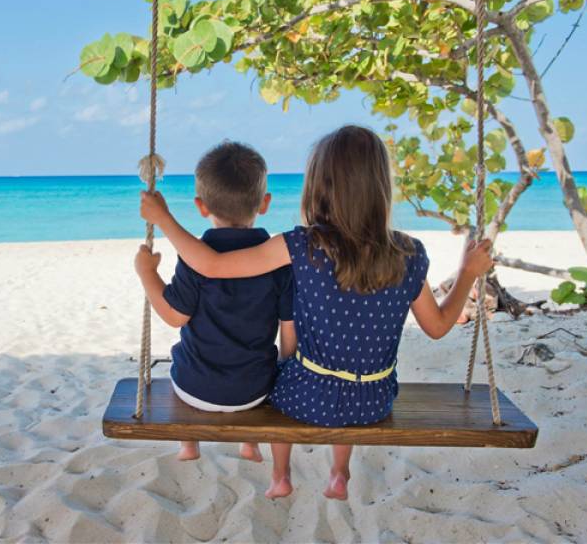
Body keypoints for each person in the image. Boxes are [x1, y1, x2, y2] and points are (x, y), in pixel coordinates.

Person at [139, 125, 493, 498]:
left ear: (319, 185)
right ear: (381, 187)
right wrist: (468, 273)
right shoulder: (408, 252)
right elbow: (437, 326)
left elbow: (211, 265)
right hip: (374, 401)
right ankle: (339, 473)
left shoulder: (303, 245)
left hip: (308, 398)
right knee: (335, 368)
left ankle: (281, 475)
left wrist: (163, 221)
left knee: (278, 373)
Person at [134, 140, 296, 462]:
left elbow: (174, 316)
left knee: (182, 362)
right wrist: (283, 372)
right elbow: (288, 327)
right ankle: (249, 442)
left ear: (201, 206)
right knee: (260, 365)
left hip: (194, 389)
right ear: (264, 203)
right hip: (254, 391)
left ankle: (189, 443)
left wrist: (146, 274)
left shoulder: (195, 259)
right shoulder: (279, 261)